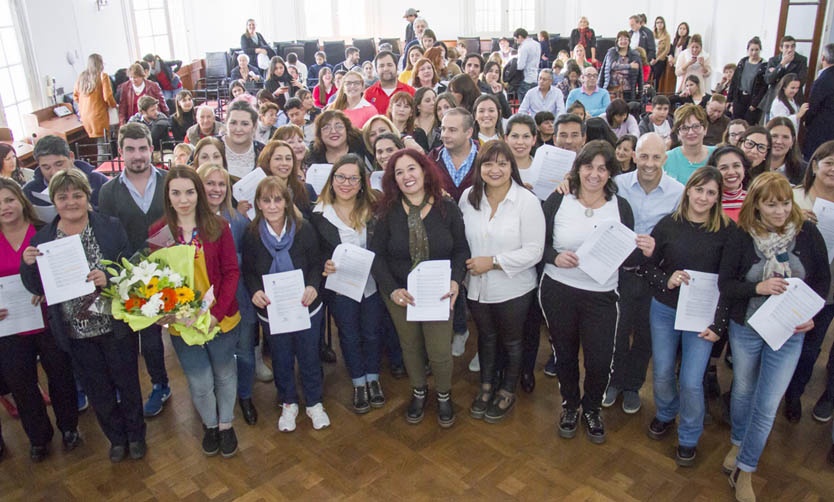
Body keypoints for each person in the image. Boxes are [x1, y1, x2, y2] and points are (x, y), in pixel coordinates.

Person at [20, 169, 146, 463]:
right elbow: (38, 287)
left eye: (77, 195)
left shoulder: (111, 227)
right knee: (98, 389)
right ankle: (115, 438)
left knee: (127, 384)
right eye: (63, 197)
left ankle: (136, 435)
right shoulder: (43, 240)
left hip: (114, 325)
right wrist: (28, 265)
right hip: (75, 332)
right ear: (54, 201)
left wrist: (109, 279)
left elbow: (131, 272)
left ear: (87, 196)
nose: (71, 202)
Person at [718, 172, 829, 502]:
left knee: (767, 404)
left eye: (784, 204)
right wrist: (757, 287)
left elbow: (822, 280)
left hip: (789, 332)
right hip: (747, 328)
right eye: (770, 205)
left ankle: (746, 468)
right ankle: (738, 441)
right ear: (756, 205)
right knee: (742, 390)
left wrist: (812, 314)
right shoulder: (741, 236)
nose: (780, 212)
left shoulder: (808, 233)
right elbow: (726, 285)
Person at [540, 140, 655, 444]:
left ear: (610, 173)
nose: (594, 174)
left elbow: (627, 259)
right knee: (563, 354)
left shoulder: (621, 206)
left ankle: (591, 407)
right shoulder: (559, 198)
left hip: (602, 296)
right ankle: (569, 405)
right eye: (588, 166)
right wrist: (554, 257)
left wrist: (644, 251)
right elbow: (537, 243)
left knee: (600, 359)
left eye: (602, 168)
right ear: (577, 168)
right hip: (558, 290)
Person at [370, 148, 470, 427]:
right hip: (401, 294)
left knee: (439, 351)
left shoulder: (446, 207)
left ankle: (443, 395)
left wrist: (455, 280)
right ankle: (418, 390)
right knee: (410, 347)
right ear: (393, 179)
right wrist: (391, 290)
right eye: (398, 172)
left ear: (425, 171)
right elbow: (376, 256)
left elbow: (461, 250)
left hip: (439, 293)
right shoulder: (387, 211)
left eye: (411, 168)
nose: (406, 176)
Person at [643, 166, 733, 466]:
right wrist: (666, 279)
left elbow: (730, 283)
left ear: (718, 198)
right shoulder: (668, 224)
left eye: (711, 193)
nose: (703, 197)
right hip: (666, 309)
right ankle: (667, 413)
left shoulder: (728, 232)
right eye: (699, 190)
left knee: (693, 381)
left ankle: (689, 435)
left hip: (702, 316)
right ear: (688, 190)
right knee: (664, 370)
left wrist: (718, 324)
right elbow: (648, 267)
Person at [151, 166, 241, 457]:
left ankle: (226, 424)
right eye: (176, 192)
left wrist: (216, 315)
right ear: (168, 195)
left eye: (189, 192)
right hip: (182, 324)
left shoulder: (217, 226)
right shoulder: (159, 233)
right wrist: (164, 313)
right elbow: (155, 281)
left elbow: (230, 272)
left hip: (220, 318)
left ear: (198, 193)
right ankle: (210, 424)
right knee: (200, 380)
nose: (183, 199)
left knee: (224, 373)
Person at [459, 140, 544, 422]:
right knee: (487, 336)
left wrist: (493, 262)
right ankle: (486, 385)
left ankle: (507, 389)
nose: (495, 170)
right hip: (476, 288)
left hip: (514, 287)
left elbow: (534, 251)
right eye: (488, 163)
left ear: (512, 167)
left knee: (512, 340)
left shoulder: (526, 201)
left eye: (502, 163)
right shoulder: (468, 198)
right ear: (479, 167)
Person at [601, 133, 684, 414]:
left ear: (665, 157)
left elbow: (678, 239)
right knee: (617, 330)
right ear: (634, 155)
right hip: (619, 271)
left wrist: (657, 248)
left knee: (646, 335)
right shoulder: (617, 185)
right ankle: (613, 381)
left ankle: (633, 385)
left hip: (654, 275)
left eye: (656, 157)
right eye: (644, 156)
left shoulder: (678, 192)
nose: (649, 163)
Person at [0, 178, 80, 462]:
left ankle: (69, 427)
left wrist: (48, 291)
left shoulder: (44, 233)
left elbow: (63, 273)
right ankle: (38, 438)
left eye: (9, 200)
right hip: (10, 328)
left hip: (48, 320)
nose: (4, 207)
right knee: (21, 384)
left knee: (61, 376)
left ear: (21, 201)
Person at [242, 177, 331, 431]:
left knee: (309, 354)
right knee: (281, 356)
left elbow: (316, 263)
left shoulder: (303, 229)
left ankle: (314, 402)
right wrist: (255, 291)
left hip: (306, 306)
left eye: (277, 199)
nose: (272, 206)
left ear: (286, 201)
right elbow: (248, 271)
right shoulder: (252, 234)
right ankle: (288, 402)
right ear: (258, 203)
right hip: (273, 310)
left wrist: (314, 285)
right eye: (266, 200)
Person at [97, 122, 173, 417]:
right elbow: (108, 235)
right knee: (140, 339)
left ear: (151, 149)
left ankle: (175, 383)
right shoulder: (108, 191)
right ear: (121, 152)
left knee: (166, 335)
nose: (137, 155)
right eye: (130, 149)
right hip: (129, 277)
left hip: (169, 271)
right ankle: (148, 386)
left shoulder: (168, 181)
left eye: (142, 148)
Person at [311, 155, 387, 413]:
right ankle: (358, 382)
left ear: (362, 183)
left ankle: (373, 378)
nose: (346, 183)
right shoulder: (319, 214)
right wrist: (325, 263)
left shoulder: (374, 208)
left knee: (372, 333)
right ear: (332, 181)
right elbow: (314, 252)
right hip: (341, 288)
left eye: (353, 178)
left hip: (372, 284)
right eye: (341, 177)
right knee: (349, 335)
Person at [195, 164, 258, 426]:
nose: (216, 189)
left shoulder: (239, 220)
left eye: (222, 185)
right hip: (200, 303)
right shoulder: (189, 221)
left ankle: (245, 395)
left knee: (244, 351)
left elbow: (251, 260)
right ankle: (211, 403)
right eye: (210, 183)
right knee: (207, 356)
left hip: (238, 297)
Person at [790, 140, 834, 425]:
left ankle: (811, 395)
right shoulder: (794, 197)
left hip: (831, 289)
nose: (833, 170)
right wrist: (793, 222)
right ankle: (787, 391)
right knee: (799, 344)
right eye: (829, 163)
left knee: (818, 348)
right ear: (816, 165)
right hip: (799, 286)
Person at [24, 135, 109, 214]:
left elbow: (113, 218)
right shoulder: (29, 191)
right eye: (46, 167)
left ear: (71, 157)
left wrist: (91, 211)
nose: (54, 172)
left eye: (59, 164)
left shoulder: (97, 181)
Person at [257, 140, 315, 218]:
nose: (284, 163)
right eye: (278, 159)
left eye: (288, 159)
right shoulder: (257, 189)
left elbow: (317, 222)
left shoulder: (306, 189)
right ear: (267, 161)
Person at [662, 104, 715, 184]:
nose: (691, 132)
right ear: (678, 133)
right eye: (684, 128)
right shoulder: (666, 159)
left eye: (696, 126)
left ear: (705, 129)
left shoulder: (717, 154)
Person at [73, 53, 117, 147]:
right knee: (103, 146)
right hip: (99, 115)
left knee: (100, 144)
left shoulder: (81, 77)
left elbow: (75, 97)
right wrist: (114, 105)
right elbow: (107, 96)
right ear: (100, 63)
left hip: (86, 116)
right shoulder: (102, 76)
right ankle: (102, 162)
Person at [802, 43, 834, 159]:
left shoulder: (823, 79)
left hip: (820, 130)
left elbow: (813, 106)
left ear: (823, 58)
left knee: (815, 159)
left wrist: (806, 120)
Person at [764, 36, 809, 113]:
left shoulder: (801, 60)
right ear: (781, 48)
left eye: (793, 46)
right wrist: (781, 64)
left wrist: (776, 74)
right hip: (775, 97)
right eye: (787, 46)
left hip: (793, 98)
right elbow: (768, 80)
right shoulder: (773, 61)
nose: (790, 49)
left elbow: (802, 80)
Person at [728, 37, 767, 125]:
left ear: (760, 50)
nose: (754, 52)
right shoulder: (742, 62)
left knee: (749, 124)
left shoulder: (764, 66)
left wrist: (755, 104)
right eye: (752, 49)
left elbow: (763, 88)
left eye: (756, 50)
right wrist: (729, 100)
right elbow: (734, 81)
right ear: (748, 50)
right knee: (735, 123)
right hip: (739, 98)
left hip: (752, 99)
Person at [365, 51, 415, 116]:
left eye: (389, 65)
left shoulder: (410, 91)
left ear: (396, 67)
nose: (386, 69)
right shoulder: (368, 94)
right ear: (376, 70)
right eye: (381, 66)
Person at [224, 100, 265, 179]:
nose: (238, 129)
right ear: (226, 123)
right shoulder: (212, 146)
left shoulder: (263, 151)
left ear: (254, 126)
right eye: (233, 123)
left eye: (245, 124)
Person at [709, 145, 750, 222]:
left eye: (736, 166)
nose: (731, 172)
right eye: (723, 168)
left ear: (744, 168)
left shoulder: (753, 200)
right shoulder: (708, 201)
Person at [600, 31, 643, 102]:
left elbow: (640, 75)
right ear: (617, 41)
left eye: (625, 39)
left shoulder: (635, 55)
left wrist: (640, 94)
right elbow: (612, 66)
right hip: (611, 89)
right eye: (621, 39)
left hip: (628, 90)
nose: (623, 41)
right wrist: (630, 66)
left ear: (629, 41)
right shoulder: (611, 52)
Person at [767, 117, 806, 186]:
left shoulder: (804, 172)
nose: (779, 142)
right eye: (774, 136)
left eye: (785, 137)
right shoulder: (753, 166)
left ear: (792, 142)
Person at [515, 28, 541, 100]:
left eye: (516, 39)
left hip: (527, 78)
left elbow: (520, 66)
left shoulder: (523, 47)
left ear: (520, 37)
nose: (517, 42)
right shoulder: (537, 44)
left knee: (521, 95)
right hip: (536, 77)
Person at [652, 17, 671, 90]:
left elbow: (667, 50)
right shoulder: (652, 34)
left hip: (660, 59)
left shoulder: (667, 35)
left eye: (661, 22)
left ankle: (654, 92)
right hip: (651, 58)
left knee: (656, 77)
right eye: (657, 23)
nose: (659, 24)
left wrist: (657, 59)